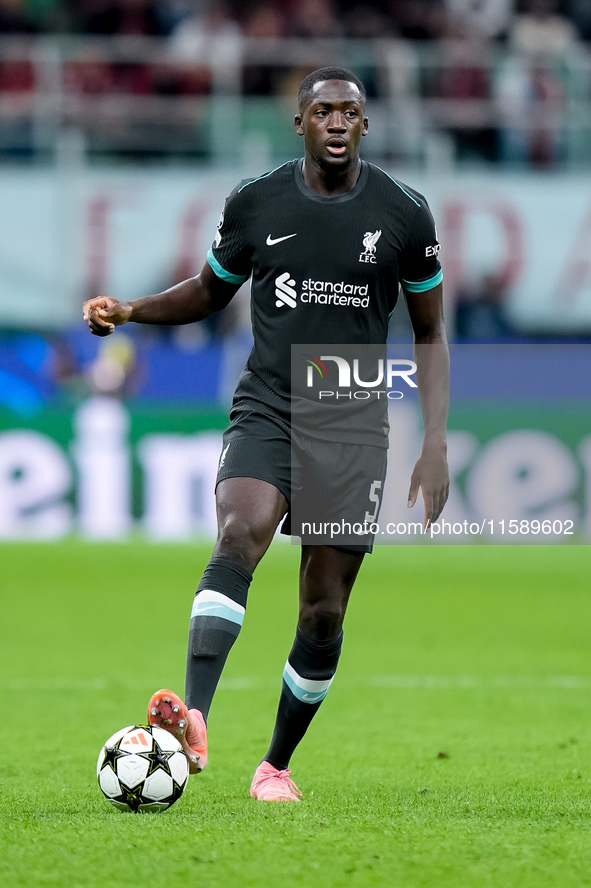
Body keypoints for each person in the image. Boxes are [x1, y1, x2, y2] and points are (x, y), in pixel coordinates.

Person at [83, 66, 450, 802]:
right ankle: (194, 717)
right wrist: (131, 310)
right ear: (300, 123)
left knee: (323, 607)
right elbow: (207, 290)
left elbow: (430, 334)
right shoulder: (256, 202)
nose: (338, 122)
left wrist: (434, 442)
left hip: (347, 407)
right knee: (239, 532)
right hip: (271, 399)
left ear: (366, 125)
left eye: (351, 111)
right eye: (324, 112)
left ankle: (274, 764)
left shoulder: (405, 215)